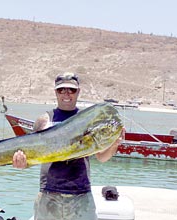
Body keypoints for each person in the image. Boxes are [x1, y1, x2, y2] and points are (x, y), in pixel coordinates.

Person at [12, 72, 124, 220]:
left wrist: (114, 144)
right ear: (55, 92)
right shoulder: (44, 121)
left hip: (81, 196)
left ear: (78, 92)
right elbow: (34, 158)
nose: (66, 94)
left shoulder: (89, 121)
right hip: (48, 195)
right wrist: (21, 164)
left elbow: (101, 157)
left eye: (71, 90)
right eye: (61, 89)